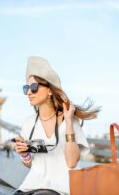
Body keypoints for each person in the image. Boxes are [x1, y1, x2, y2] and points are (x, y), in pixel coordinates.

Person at [14, 56, 99, 194]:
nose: (29, 92)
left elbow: (72, 162)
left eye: (34, 87)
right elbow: (31, 164)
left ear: (49, 90)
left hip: (61, 190)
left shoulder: (70, 121)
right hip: (30, 188)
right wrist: (24, 155)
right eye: (26, 88)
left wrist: (69, 121)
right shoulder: (28, 123)